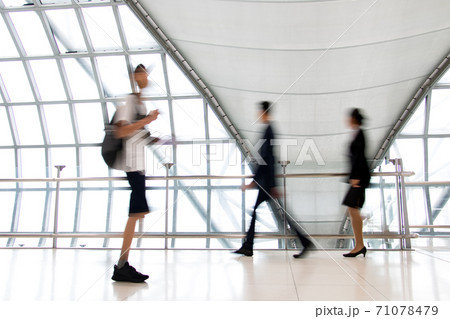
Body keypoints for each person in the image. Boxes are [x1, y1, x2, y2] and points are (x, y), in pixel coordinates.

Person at [234, 101, 312, 258]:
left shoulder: (269, 130)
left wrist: (255, 182)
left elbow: (267, 159)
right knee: (274, 212)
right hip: (267, 182)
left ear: (264, 112)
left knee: (275, 213)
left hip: (267, 183)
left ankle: (249, 246)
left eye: (259, 112)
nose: (258, 114)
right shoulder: (269, 129)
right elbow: (268, 159)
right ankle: (249, 245)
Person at [111, 64, 159, 282]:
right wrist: (146, 121)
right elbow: (121, 131)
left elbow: (137, 133)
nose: (146, 77)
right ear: (134, 77)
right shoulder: (130, 102)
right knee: (135, 214)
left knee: (138, 213)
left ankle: (123, 264)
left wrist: (154, 136)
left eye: (147, 74)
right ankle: (122, 266)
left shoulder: (139, 103)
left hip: (138, 166)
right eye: (142, 73)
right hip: (132, 166)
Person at [342, 108, 371, 258]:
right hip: (357, 177)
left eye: (349, 118)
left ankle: (359, 245)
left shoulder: (359, 134)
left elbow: (359, 157)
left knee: (353, 208)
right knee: (352, 209)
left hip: (359, 178)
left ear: (353, 119)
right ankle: (359, 245)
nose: (347, 120)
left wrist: (355, 177)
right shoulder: (357, 133)